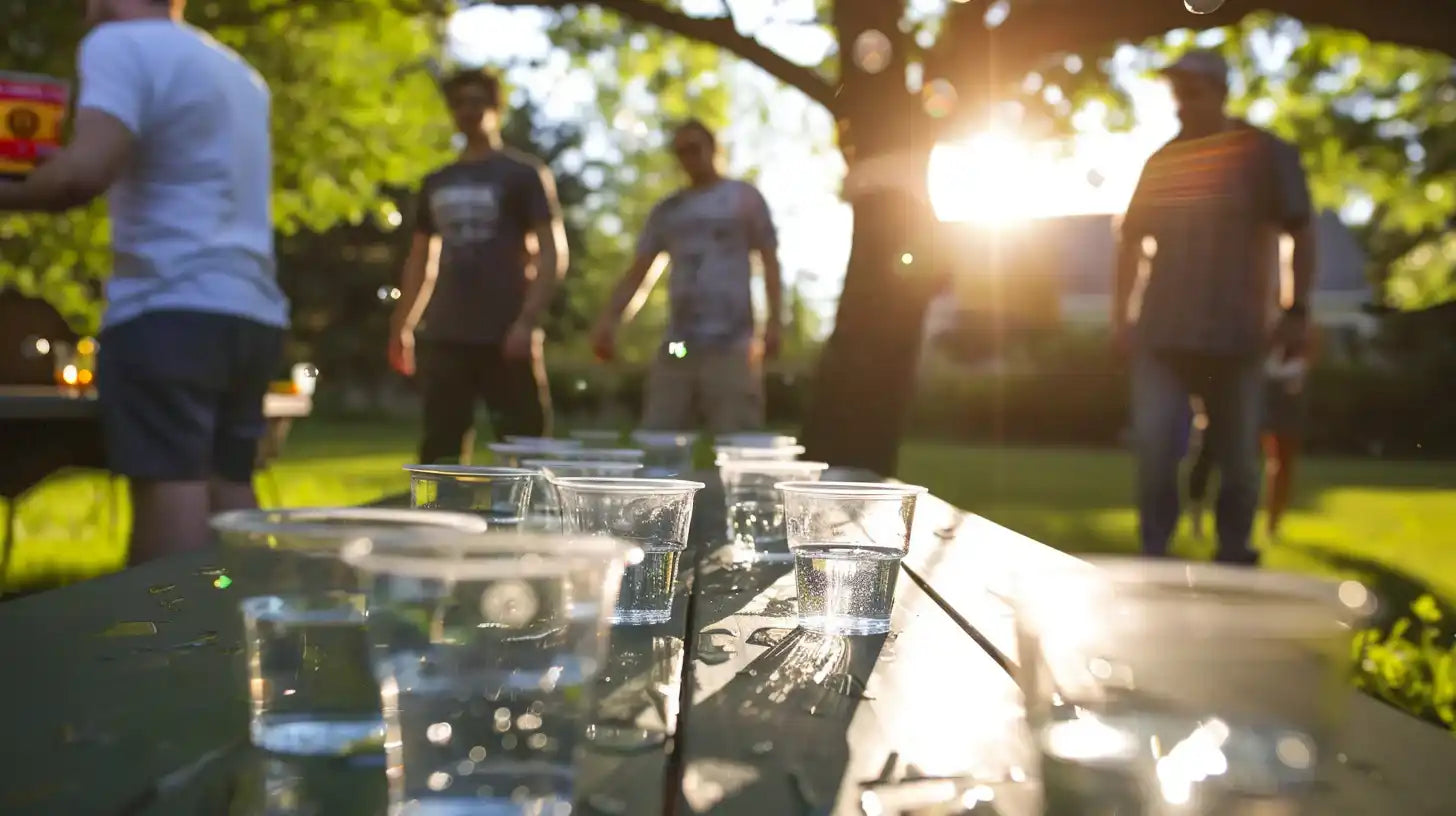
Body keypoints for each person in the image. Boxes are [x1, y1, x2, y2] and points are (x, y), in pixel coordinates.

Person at [0, 0, 289, 566]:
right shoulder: (236, 71)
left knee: (172, 488)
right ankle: (240, 631)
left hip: (169, 308)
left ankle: (167, 647)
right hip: (252, 312)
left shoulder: (119, 44)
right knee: (228, 485)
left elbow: (82, 173)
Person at [1114, 50, 1315, 565]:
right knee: (1156, 451)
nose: (1183, 101)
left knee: (1239, 461)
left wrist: (1297, 310)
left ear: (1221, 91)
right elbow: (1130, 241)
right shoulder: (1162, 162)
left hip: (1240, 335)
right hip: (1163, 334)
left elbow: (1301, 230)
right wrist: (1121, 316)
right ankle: (1153, 554)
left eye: (1194, 89)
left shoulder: (1266, 155)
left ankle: (1233, 554)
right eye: (1177, 90)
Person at [388, 68, 568, 464]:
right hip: (447, 336)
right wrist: (403, 324)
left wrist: (528, 322)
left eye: (476, 101)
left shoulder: (524, 174)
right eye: (458, 104)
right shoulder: (437, 181)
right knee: (439, 453)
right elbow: (421, 260)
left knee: (527, 452)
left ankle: (530, 526)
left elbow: (554, 252)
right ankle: (436, 525)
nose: (468, 112)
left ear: (495, 107)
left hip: (508, 336)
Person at [590, 120, 782, 434]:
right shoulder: (668, 210)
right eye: (679, 151)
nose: (687, 157)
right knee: (660, 433)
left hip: (732, 344)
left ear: (713, 149)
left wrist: (775, 322)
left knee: (738, 437)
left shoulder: (743, 198)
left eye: (694, 148)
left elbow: (770, 260)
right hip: (679, 344)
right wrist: (610, 321)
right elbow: (641, 271)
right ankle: (663, 481)